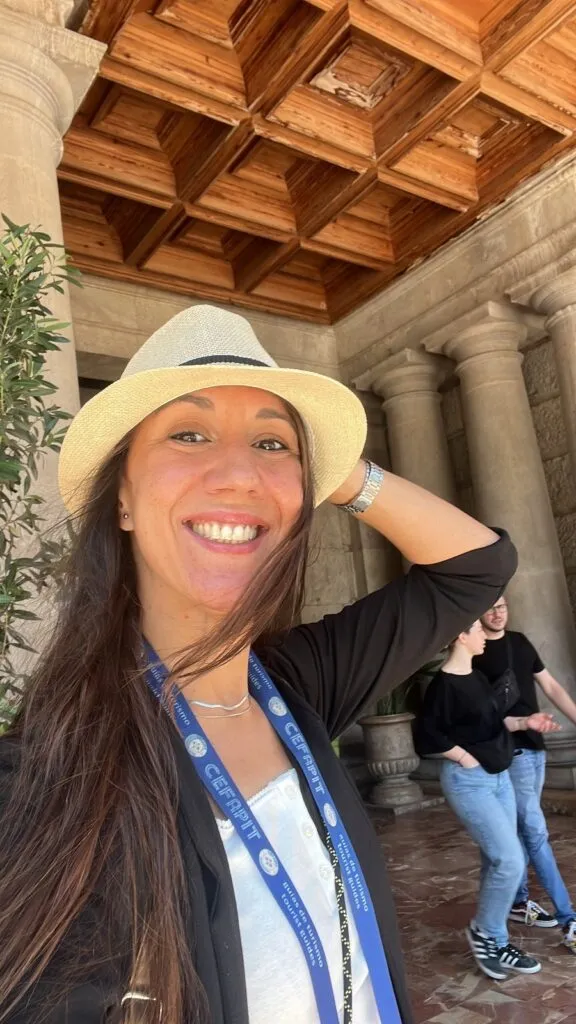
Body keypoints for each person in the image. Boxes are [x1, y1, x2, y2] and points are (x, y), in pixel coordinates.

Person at [0, 304, 517, 1024]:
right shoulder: (49, 777)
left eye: (272, 444)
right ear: (121, 499)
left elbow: (476, 567)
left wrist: (329, 471)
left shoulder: (293, 685)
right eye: (188, 433)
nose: (241, 473)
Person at [415, 621, 560, 981]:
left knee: (497, 860)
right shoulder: (443, 686)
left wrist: (527, 722)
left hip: (499, 778)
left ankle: (497, 939)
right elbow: (427, 736)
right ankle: (485, 934)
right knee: (509, 860)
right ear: (460, 636)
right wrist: (464, 757)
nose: (483, 635)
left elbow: (495, 722)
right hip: (469, 783)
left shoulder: (477, 677)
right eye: (477, 630)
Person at [476, 597, 576, 952]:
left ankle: (518, 902)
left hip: (535, 749)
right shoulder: (475, 652)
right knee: (534, 832)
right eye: (490, 607)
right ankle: (568, 917)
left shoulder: (518, 642)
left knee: (522, 827)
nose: (497, 612)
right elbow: (479, 713)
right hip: (511, 750)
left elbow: (551, 686)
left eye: (502, 606)